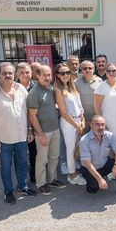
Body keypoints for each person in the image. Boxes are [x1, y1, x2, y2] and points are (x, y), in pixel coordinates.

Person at [0, 63, 37, 204]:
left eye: (10, 73)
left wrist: (30, 129)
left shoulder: (21, 90)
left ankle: (22, 187)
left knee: (22, 163)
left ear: (14, 74)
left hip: (21, 136)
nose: (8, 76)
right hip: (4, 139)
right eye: (4, 73)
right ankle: (8, 191)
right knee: (6, 167)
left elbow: (27, 112)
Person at [27, 65, 65, 195]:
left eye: (49, 75)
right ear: (38, 76)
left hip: (55, 129)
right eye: (45, 75)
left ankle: (52, 179)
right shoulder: (34, 92)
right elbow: (32, 116)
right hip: (43, 132)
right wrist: (41, 134)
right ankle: (41, 183)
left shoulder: (51, 89)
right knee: (42, 159)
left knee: (54, 157)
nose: (48, 77)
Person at [79, 115, 116, 198]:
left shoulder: (110, 136)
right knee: (93, 189)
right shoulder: (84, 140)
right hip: (90, 168)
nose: (101, 127)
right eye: (97, 124)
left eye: (102, 124)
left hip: (104, 165)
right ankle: (96, 180)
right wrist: (100, 179)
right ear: (91, 125)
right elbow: (87, 164)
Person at [54, 63, 86, 186]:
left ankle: (74, 171)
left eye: (67, 72)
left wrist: (82, 121)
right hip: (68, 123)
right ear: (57, 75)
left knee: (77, 148)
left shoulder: (71, 87)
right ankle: (72, 175)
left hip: (78, 120)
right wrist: (77, 125)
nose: (66, 75)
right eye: (62, 73)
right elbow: (63, 112)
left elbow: (79, 106)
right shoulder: (58, 90)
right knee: (70, 150)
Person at [16, 62, 36, 182]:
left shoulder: (38, 86)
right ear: (17, 74)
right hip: (19, 127)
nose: (25, 75)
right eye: (22, 72)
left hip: (35, 126)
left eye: (27, 72)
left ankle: (34, 176)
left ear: (31, 73)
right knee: (20, 157)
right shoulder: (12, 88)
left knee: (34, 154)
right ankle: (21, 181)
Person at [75, 60, 103, 130]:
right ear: (81, 70)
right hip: (84, 119)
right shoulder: (76, 83)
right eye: (85, 68)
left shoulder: (99, 81)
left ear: (93, 69)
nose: (87, 70)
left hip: (97, 118)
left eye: (90, 68)